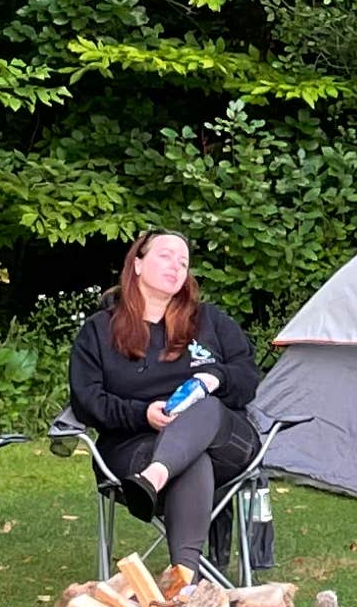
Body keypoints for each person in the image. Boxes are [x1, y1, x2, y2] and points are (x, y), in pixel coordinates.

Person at [59, 231, 265, 571]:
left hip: (226, 441)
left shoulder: (209, 320)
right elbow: (87, 402)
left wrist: (215, 379)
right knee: (191, 460)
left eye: (184, 262)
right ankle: (186, 583)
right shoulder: (99, 331)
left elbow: (247, 380)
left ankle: (155, 476)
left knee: (204, 405)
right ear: (137, 264)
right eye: (166, 256)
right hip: (133, 445)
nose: (177, 267)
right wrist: (143, 415)